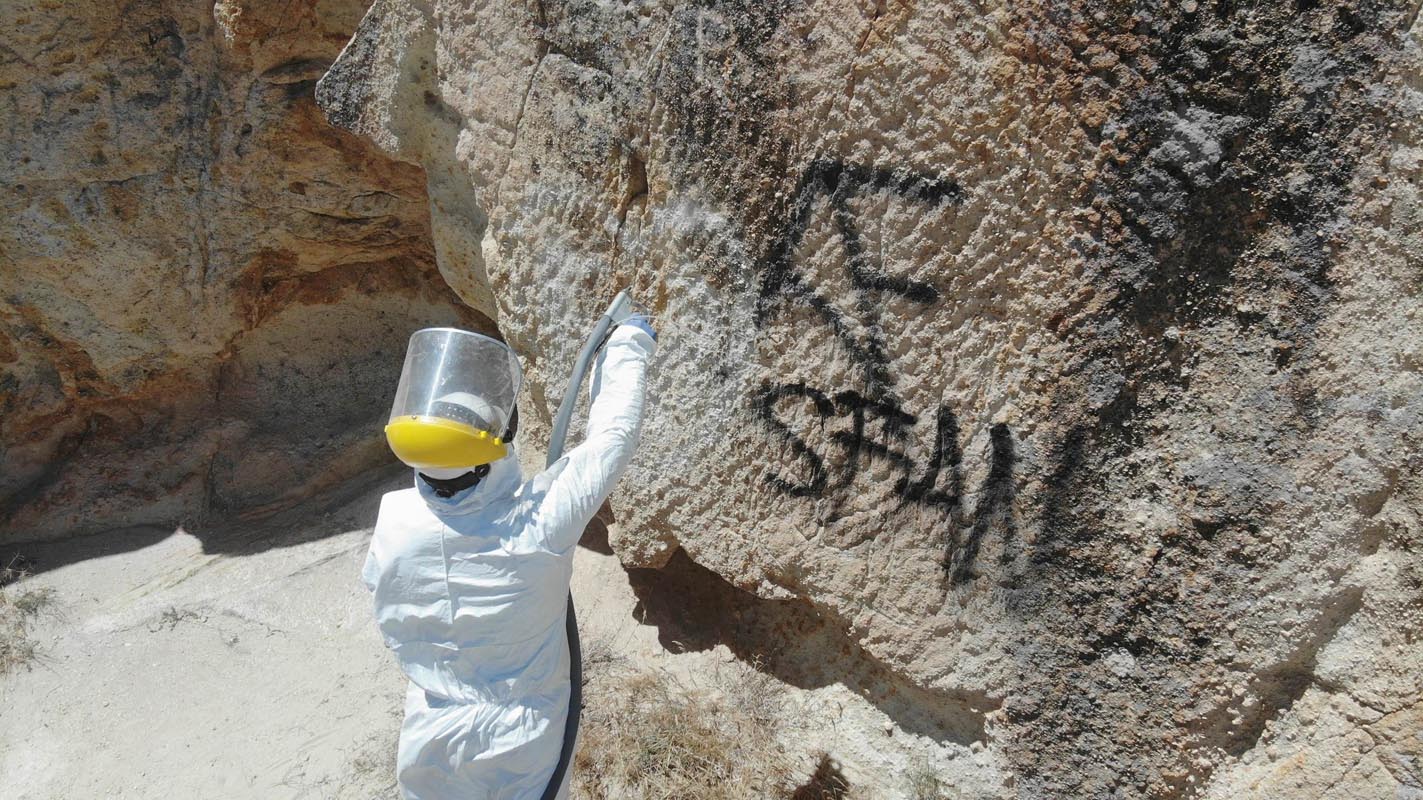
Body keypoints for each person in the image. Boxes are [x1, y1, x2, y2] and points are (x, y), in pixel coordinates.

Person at [363, 315, 657, 799]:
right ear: (489, 448)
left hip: (430, 724)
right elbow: (613, 438)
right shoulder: (540, 522)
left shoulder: (393, 521)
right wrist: (627, 343)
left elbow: (386, 596)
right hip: (523, 735)